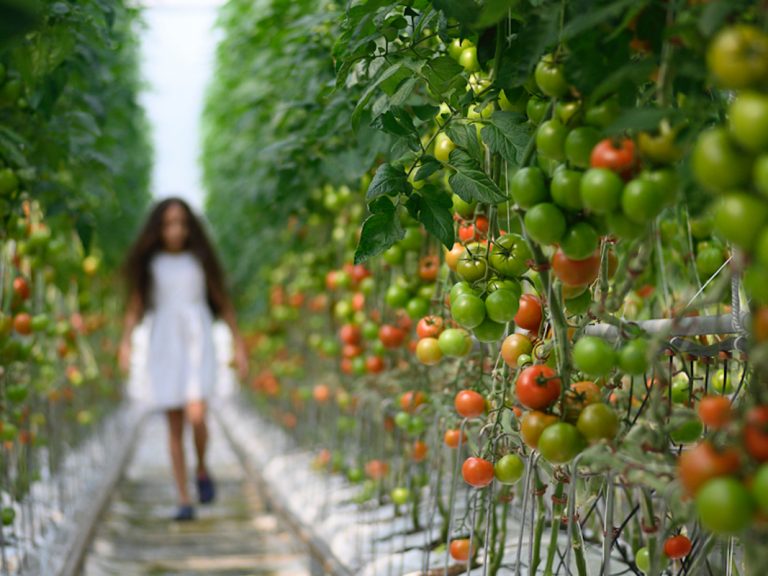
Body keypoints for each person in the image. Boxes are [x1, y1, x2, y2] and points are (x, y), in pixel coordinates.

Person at [118, 197, 248, 521]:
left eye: (181, 223)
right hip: (165, 341)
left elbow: (224, 303)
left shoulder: (199, 261)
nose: (175, 230)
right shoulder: (151, 265)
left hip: (197, 339)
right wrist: (125, 344)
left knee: (197, 413)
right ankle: (183, 497)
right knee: (173, 423)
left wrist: (239, 343)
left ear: (190, 227)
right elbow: (135, 308)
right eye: (168, 224)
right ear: (158, 228)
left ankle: (202, 468)